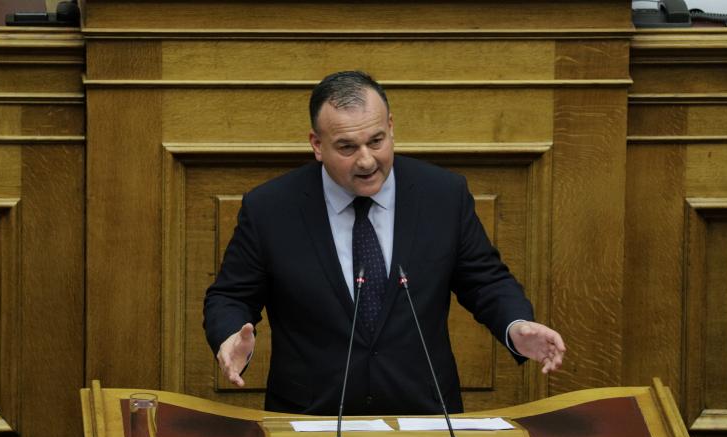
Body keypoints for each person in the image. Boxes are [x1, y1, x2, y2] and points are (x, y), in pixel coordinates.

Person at [204, 70, 565, 415]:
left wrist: (515, 325)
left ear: (391, 127)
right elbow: (231, 296)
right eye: (347, 147)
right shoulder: (271, 208)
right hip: (311, 419)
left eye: (376, 141)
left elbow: (486, 281)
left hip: (424, 417)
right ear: (317, 145)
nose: (366, 161)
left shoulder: (442, 195)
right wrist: (230, 337)